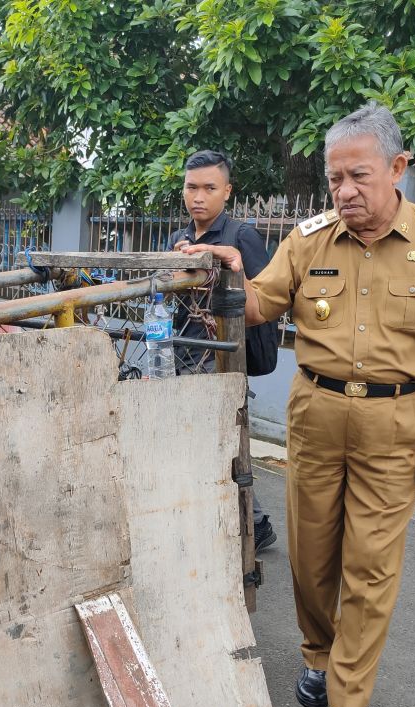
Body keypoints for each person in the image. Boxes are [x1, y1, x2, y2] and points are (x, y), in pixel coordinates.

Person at [185, 103, 415, 707]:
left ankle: (349, 702)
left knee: (371, 565)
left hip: (396, 423)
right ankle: (319, 658)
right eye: (335, 180)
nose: (345, 192)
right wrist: (229, 268)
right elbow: (262, 302)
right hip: (316, 415)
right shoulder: (311, 238)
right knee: (312, 555)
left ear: (398, 169)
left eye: (358, 176)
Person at [167, 150, 278, 552]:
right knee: (200, 441)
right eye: (191, 187)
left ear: (227, 192)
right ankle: (230, 517)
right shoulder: (178, 239)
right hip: (185, 352)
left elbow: (267, 299)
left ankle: (257, 522)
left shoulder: (240, 237)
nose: (199, 196)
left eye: (209, 188)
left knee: (222, 442)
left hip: (226, 356)